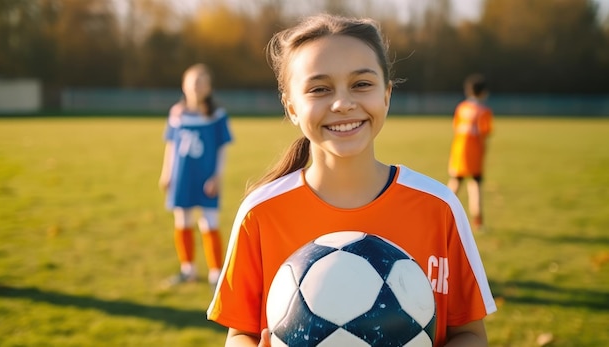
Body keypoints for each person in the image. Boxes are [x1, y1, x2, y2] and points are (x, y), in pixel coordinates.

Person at [207, 14, 496, 347]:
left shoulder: (439, 207)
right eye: (319, 89)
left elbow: (470, 335)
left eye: (361, 84)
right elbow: (239, 334)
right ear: (291, 108)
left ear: (386, 94)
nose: (343, 103)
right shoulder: (259, 213)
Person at [158, 63, 233, 288]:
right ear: (184, 85)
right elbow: (171, 146)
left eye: (202, 82)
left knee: (209, 223)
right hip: (182, 176)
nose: (196, 86)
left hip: (207, 178)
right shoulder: (177, 114)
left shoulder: (217, 115)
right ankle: (187, 269)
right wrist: (166, 173)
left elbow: (222, 149)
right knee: (182, 220)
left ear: (208, 87)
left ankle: (215, 273)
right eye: (192, 82)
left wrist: (217, 176)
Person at [446, 74, 493, 231]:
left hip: (458, 151)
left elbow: (455, 127)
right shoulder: (483, 111)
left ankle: (440, 212)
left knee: (455, 183)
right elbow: (484, 133)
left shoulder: (462, 107)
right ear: (483, 92)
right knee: (475, 186)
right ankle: (478, 221)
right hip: (474, 154)